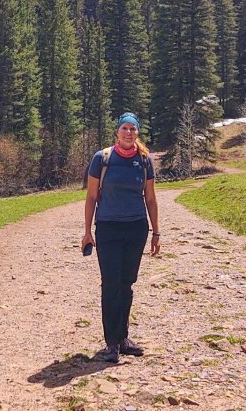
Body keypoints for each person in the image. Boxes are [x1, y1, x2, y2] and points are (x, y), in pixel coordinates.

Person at [81, 111, 160, 363]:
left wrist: (156, 231)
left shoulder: (145, 160)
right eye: (125, 128)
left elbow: (150, 198)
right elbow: (92, 197)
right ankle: (111, 343)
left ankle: (123, 338)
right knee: (111, 284)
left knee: (127, 284)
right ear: (117, 131)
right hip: (108, 229)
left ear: (137, 133)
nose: (128, 133)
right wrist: (87, 232)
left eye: (133, 129)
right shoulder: (102, 159)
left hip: (136, 228)